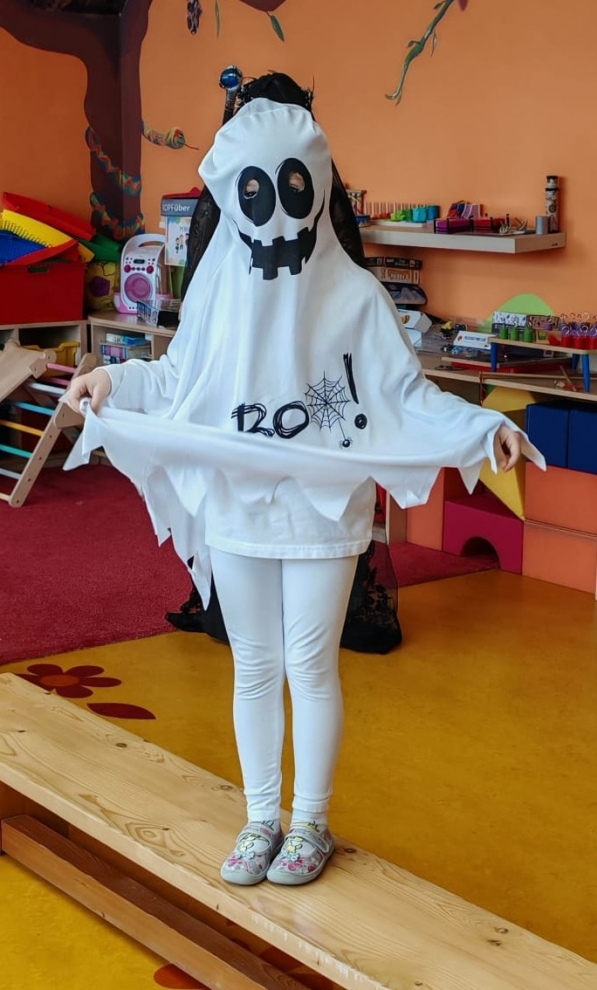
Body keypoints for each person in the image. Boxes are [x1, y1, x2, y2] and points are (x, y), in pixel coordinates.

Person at [63, 83, 543, 888]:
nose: (275, 214)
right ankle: (261, 818)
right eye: (255, 191)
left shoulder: (352, 294)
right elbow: (179, 376)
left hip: (321, 503)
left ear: (314, 187)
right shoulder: (216, 289)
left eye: (290, 188)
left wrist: (477, 428)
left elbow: (402, 394)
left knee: (310, 662)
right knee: (254, 662)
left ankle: (309, 823)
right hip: (237, 495)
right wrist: (115, 379)